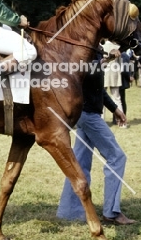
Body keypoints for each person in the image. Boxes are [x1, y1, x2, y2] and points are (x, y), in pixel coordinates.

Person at [56, 55, 136, 225]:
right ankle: (112, 213)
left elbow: (98, 89)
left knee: (79, 163)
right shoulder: (83, 52)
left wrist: (115, 109)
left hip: (87, 113)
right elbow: (83, 74)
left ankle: (70, 212)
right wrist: (102, 63)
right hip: (87, 115)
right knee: (117, 157)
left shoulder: (95, 52)